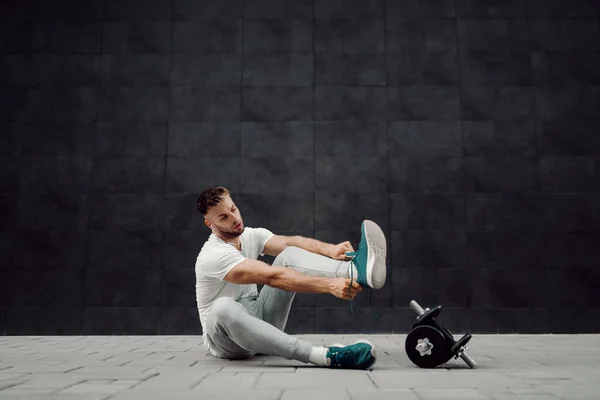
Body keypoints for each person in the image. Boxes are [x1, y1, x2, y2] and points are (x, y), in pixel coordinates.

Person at [194, 185, 387, 369]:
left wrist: (331, 249)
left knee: (288, 255)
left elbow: (289, 243)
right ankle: (324, 356)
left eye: (233, 209)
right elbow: (274, 277)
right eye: (223, 217)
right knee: (222, 308)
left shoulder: (251, 235)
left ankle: (356, 272)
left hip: (260, 323)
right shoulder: (214, 255)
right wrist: (329, 285)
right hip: (228, 342)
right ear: (210, 224)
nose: (234, 218)